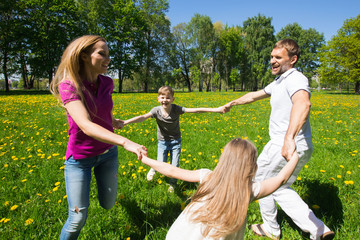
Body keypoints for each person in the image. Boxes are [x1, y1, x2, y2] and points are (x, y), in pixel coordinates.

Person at [223, 39, 334, 240]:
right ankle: (319, 229)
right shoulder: (280, 81)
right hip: (295, 144)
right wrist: (233, 103)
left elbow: (303, 104)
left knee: (262, 182)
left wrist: (289, 139)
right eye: (272, 57)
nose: (272, 61)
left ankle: (271, 228)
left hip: (286, 144)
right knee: (281, 187)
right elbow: (254, 95)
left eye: (278, 58)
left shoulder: (296, 78)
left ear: (292, 59)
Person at [50, 35, 147, 240]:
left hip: (108, 154)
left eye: (108, 55)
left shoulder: (107, 82)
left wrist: (112, 121)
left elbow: (104, 107)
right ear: (84, 56)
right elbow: (85, 125)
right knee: (77, 218)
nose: (108, 59)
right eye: (102, 53)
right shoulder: (69, 86)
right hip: (80, 160)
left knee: (108, 204)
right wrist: (125, 141)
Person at [140, 138, 300, 239]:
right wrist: (295, 156)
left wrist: (146, 160)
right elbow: (281, 179)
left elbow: (173, 170)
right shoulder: (249, 190)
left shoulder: (207, 177)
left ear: (223, 160)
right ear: (252, 166)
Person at [121, 86, 224, 192]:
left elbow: (195, 110)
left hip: (176, 142)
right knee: (161, 163)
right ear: (158, 99)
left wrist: (216, 110)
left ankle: (172, 184)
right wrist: (125, 122)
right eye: (162, 97)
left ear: (172, 99)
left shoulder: (176, 109)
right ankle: (153, 169)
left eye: (168, 98)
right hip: (162, 142)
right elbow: (142, 117)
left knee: (175, 165)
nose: (165, 100)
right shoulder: (156, 111)